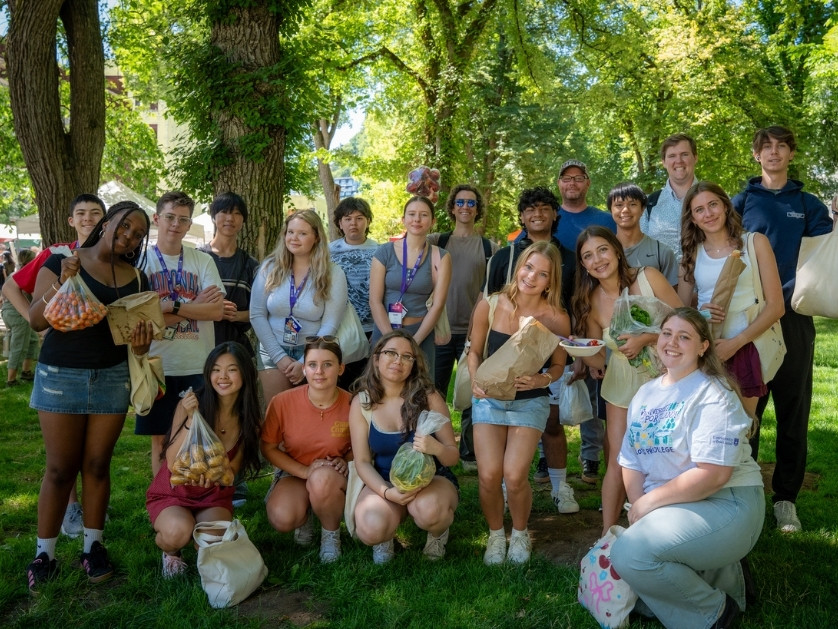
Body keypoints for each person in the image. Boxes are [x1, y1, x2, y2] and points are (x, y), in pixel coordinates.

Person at [25, 201, 152, 592]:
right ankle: (43, 554)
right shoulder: (62, 260)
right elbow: (35, 319)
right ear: (108, 220)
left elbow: (133, 340)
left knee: (98, 465)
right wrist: (64, 282)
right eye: (125, 225)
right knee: (61, 468)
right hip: (61, 375)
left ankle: (93, 547)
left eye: (137, 234)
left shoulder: (137, 278)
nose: (128, 235)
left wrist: (143, 345)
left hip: (112, 377)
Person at [609, 308, 764, 629]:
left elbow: (714, 475)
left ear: (703, 346)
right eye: (667, 333)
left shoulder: (712, 393)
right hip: (680, 505)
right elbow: (631, 460)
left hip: (728, 503)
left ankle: (715, 614)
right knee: (639, 552)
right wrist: (639, 506)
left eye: (684, 336)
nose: (672, 342)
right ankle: (726, 579)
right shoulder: (645, 394)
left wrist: (648, 503)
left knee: (629, 555)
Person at [733, 125, 832, 533]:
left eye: (781, 147)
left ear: (791, 153)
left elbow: (829, 253)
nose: (773, 153)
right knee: (747, 408)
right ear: (756, 155)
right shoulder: (739, 202)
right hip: (750, 317)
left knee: (793, 410)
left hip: (793, 315)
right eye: (766, 147)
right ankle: (746, 490)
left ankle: (786, 499)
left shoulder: (808, 204)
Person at [3, 193, 106, 539]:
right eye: (81, 213)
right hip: (62, 362)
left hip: (102, 364)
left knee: (93, 455)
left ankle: (87, 523)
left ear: (104, 220)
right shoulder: (56, 254)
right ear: (71, 220)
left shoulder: (114, 254)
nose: (88, 218)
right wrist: (38, 322)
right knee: (65, 454)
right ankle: (70, 508)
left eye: (95, 213)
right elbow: (10, 286)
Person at [572, 226, 682, 536]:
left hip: (666, 379)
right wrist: (577, 350)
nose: (598, 260)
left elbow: (685, 321)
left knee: (667, 453)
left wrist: (646, 337)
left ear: (616, 250)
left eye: (602, 250)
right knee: (620, 457)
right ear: (583, 265)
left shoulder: (648, 277)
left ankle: (663, 524)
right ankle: (608, 534)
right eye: (588, 256)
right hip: (620, 385)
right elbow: (597, 357)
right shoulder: (592, 300)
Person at [470, 241, 570, 564]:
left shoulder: (556, 317)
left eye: (542, 274)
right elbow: (473, 352)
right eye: (529, 267)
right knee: (487, 475)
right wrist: (474, 379)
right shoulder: (490, 304)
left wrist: (542, 379)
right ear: (519, 266)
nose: (531, 277)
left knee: (514, 476)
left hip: (530, 402)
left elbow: (558, 367)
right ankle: (497, 535)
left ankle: (521, 533)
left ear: (550, 281)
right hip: (489, 399)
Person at [486, 188, 577, 511]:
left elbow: (576, 302)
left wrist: (572, 352)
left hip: (551, 348)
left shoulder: (569, 256)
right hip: (503, 355)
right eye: (530, 209)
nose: (537, 214)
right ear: (522, 217)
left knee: (551, 422)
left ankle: (560, 486)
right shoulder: (505, 257)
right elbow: (489, 301)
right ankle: (507, 489)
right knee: (503, 426)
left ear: (555, 214)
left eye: (544, 208)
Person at [146, 342, 262, 578]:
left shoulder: (248, 419)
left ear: (245, 374)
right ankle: (171, 552)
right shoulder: (190, 403)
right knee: (178, 531)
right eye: (216, 369)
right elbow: (171, 461)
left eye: (232, 369)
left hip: (213, 494)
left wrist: (213, 478)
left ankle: (198, 539)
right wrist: (190, 420)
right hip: (175, 491)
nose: (223, 376)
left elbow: (231, 473)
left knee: (210, 543)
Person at [349, 330, 459, 564]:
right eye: (391, 353)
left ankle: (438, 534)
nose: (398, 360)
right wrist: (388, 493)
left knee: (430, 512)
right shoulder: (363, 401)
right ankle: (384, 536)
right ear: (377, 359)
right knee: (370, 529)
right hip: (384, 479)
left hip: (431, 479)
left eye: (407, 356)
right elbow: (362, 461)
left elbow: (452, 456)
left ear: (413, 365)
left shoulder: (428, 397)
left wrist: (436, 448)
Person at [137, 191, 226, 476]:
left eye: (183, 219)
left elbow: (215, 311)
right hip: (156, 366)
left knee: (198, 435)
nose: (176, 224)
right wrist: (194, 306)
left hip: (197, 363)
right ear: (156, 219)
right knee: (160, 440)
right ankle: (161, 500)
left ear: (189, 225)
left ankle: (194, 498)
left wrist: (170, 305)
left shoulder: (202, 261)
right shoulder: (140, 264)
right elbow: (142, 320)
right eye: (170, 217)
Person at [678, 181, 784, 418]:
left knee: (742, 428)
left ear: (725, 206)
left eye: (713, 204)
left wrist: (737, 342)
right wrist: (701, 313)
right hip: (706, 348)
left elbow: (776, 307)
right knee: (707, 426)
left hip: (748, 345)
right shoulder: (691, 254)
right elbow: (680, 312)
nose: (708, 213)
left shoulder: (755, 243)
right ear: (693, 219)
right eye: (699, 210)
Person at [262, 336, 352, 563]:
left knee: (321, 480)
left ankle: (330, 534)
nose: (319, 371)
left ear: (341, 369)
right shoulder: (282, 402)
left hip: (334, 475)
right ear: (304, 369)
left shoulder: (353, 404)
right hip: (296, 472)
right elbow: (268, 447)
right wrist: (304, 471)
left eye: (328, 364)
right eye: (312, 365)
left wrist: (347, 459)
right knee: (282, 518)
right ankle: (305, 518)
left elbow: (365, 445)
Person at [554, 161, 615, 487]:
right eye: (567, 178)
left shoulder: (604, 220)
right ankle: (545, 456)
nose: (573, 183)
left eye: (579, 178)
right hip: (555, 314)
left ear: (587, 183)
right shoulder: (553, 218)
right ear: (560, 184)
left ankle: (591, 456)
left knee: (596, 381)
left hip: (596, 309)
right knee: (550, 387)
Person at [428, 185, 497, 465]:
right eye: (460, 202)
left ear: (477, 208)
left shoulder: (488, 246)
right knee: (433, 392)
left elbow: (494, 289)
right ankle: (432, 448)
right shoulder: (437, 240)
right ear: (452, 208)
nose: (465, 206)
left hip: (475, 333)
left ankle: (468, 452)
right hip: (439, 330)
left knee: (473, 393)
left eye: (471, 202)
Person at [251, 209, 348, 405]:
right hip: (272, 351)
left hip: (314, 355)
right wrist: (280, 357)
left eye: (303, 233)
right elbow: (256, 314)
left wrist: (305, 362)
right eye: (290, 232)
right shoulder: (269, 267)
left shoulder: (333, 273)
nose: (294, 238)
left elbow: (330, 324)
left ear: (317, 237)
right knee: (276, 415)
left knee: (309, 416)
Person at [369, 196, 450, 374]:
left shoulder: (441, 256)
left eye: (424, 215)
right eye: (412, 214)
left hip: (420, 333)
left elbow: (438, 305)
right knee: (380, 390)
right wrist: (390, 338)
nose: (417, 219)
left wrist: (414, 342)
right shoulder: (384, 252)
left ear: (433, 221)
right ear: (403, 219)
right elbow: (375, 301)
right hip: (384, 330)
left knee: (419, 393)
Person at [198, 192, 260, 357]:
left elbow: (261, 311)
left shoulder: (251, 265)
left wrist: (236, 315)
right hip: (198, 347)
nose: (230, 218)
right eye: (224, 212)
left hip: (236, 350)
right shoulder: (197, 258)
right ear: (213, 217)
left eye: (237, 213)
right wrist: (211, 310)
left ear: (243, 220)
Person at [329, 197, 379, 389]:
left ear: (368, 221)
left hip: (371, 329)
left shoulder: (381, 251)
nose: (353, 223)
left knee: (369, 386)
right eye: (348, 218)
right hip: (339, 328)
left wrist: (379, 329)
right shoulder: (328, 252)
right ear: (340, 223)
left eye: (359, 218)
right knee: (340, 385)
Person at [639, 133, 699, 263]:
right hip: (660, 281)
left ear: (695, 157)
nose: (679, 161)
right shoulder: (648, 204)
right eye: (672, 156)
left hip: (708, 282)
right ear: (664, 162)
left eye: (684, 154)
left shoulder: (716, 201)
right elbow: (639, 248)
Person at [608, 182, 678, 286]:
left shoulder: (662, 252)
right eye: (619, 205)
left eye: (632, 204)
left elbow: (673, 298)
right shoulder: (603, 252)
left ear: (642, 209)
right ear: (611, 210)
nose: (625, 210)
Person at [2, 250, 40, 386]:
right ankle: (11, 380)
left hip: (8, 311)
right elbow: (36, 296)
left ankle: (26, 372)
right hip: (17, 313)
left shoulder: (15, 273)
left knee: (32, 340)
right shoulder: (29, 274)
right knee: (19, 345)